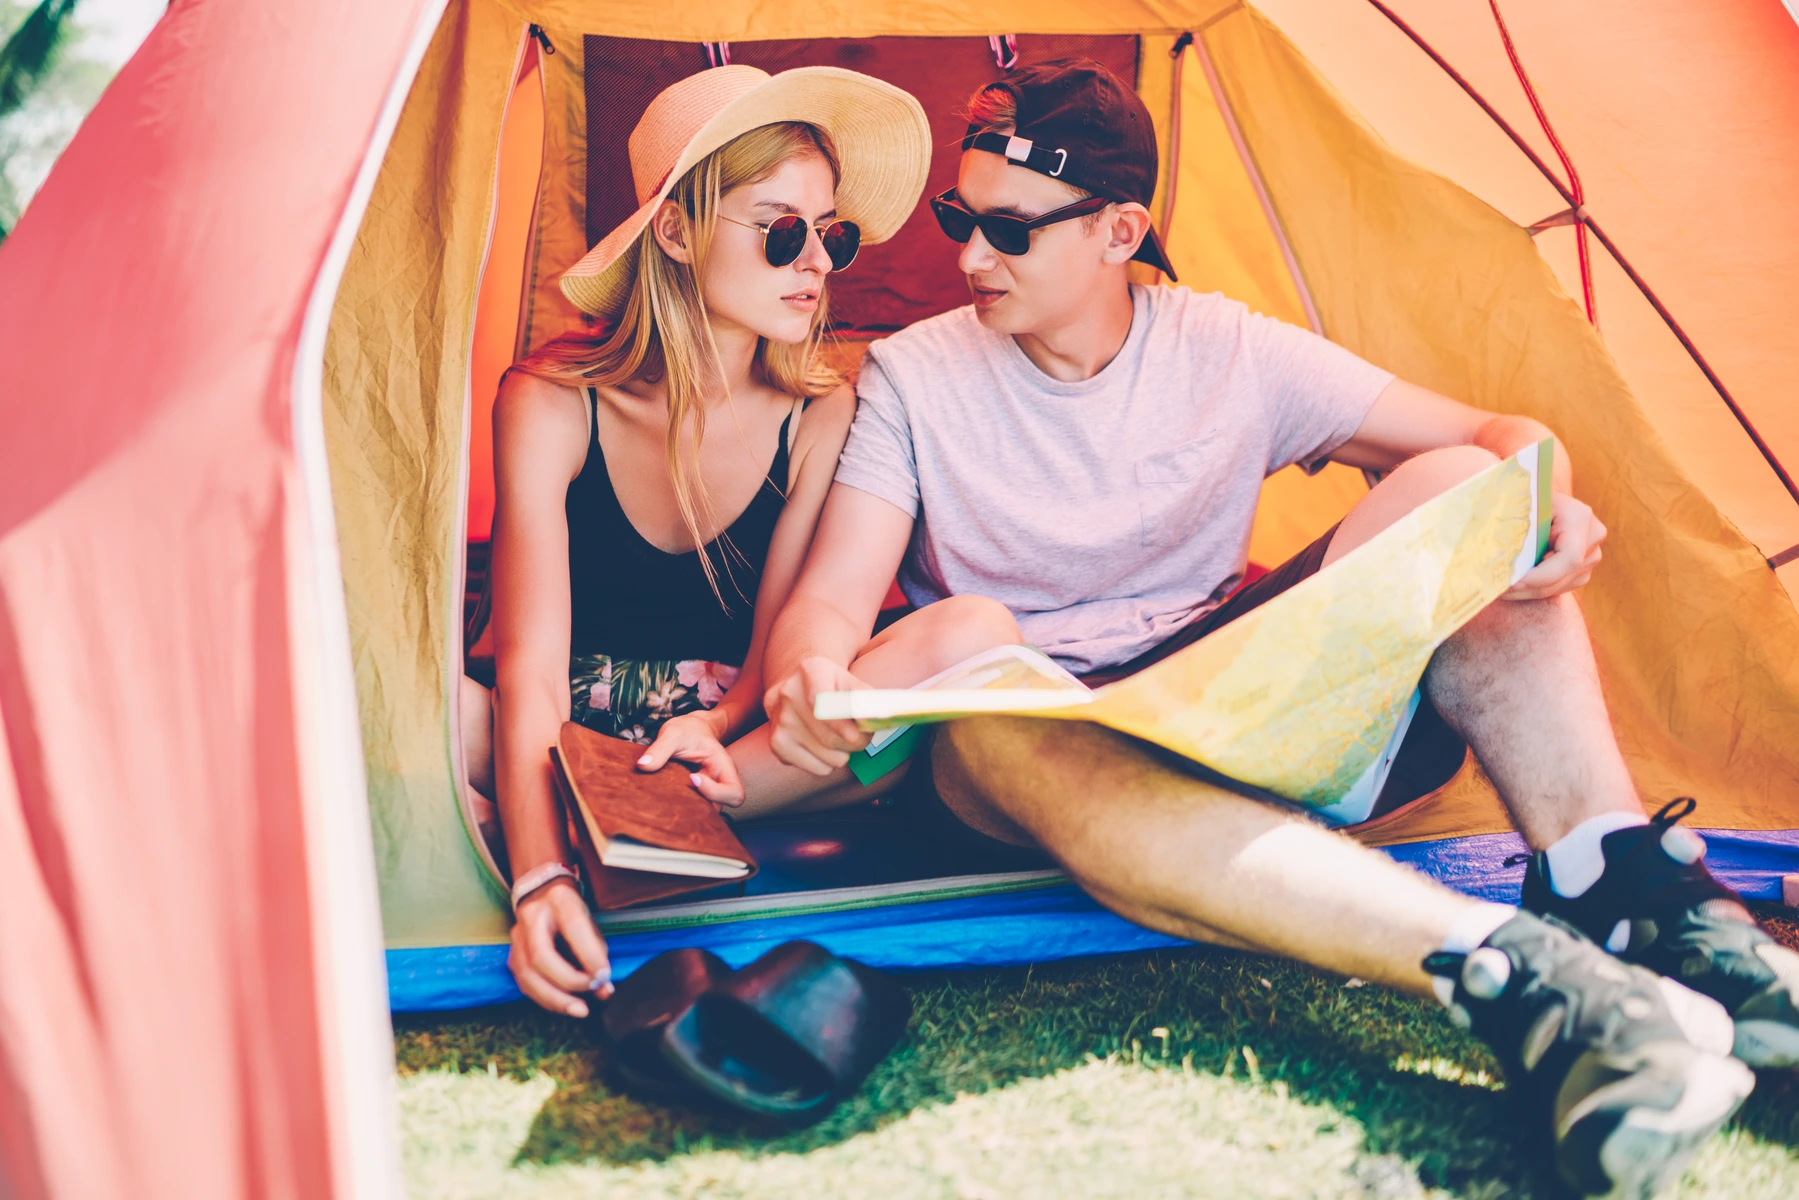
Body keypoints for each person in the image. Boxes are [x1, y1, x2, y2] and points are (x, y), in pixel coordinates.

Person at [760, 59, 1798, 1196]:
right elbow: (832, 602)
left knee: (1465, 483)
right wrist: (810, 672)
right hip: (1033, 732)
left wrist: (1545, 497)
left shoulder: (1226, 348)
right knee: (993, 701)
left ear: (1118, 230)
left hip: (1231, 697)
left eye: (1008, 230)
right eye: (961, 220)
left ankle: (1616, 878)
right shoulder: (914, 377)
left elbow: (1494, 432)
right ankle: (1530, 984)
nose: (967, 259)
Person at [463, 66, 1018, 1022]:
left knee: (962, 640)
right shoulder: (551, 403)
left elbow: (778, 647)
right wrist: (538, 879)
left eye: (830, 233)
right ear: (674, 232)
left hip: (731, 747)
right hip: (566, 729)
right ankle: (568, 826)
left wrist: (716, 731)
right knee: (386, 694)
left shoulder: (820, 410)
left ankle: (590, 822)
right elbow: (530, 674)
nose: (818, 263)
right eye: (782, 229)